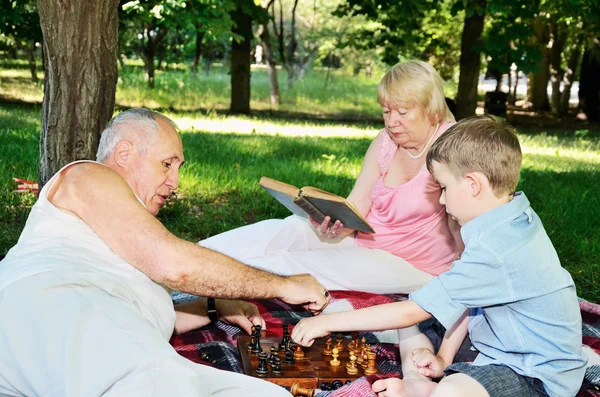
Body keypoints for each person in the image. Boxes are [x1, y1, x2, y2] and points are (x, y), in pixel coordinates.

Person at [0, 108, 330, 397]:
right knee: (163, 382)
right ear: (124, 152)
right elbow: (174, 266)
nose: (175, 181)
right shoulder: (86, 176)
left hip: (90, 339)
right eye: (167, 163)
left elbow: (138, 312)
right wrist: (285, 284)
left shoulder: (126, 229)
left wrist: (212, 306)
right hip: (50, 305)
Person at [291, 115, 588, 397]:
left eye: (444, 188)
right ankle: (418, 382)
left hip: (533, 375)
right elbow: (466, 300)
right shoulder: (509, 218)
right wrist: (444, 357)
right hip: (499, 341)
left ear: (473, 185)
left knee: (449, 385)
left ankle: (433, 388)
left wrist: (328, 323)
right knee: (409, 321)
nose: (442, 200)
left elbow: (415, 309)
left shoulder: (497, 251)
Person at [200, 60, 462, 294]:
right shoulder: (385, 142)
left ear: (432, 109)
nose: (391, 122)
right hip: (365, 243)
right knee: (284, 229)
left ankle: (214, 280)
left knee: (296, 264)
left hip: (413, 266)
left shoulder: (454, 148)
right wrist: (337, 222)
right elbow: (358, 203)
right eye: (385, 111)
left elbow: (473, 221)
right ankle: (190, 258)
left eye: (402, 112)